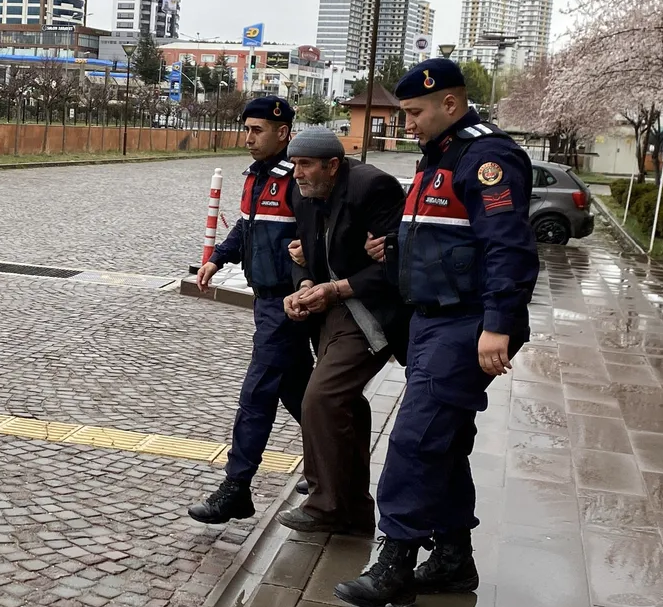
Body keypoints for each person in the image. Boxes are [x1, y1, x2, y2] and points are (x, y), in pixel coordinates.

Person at [334, 59, 539, 606]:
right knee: (443, 444)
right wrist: (394, 248)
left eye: (415, 112)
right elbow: (449, 236)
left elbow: (507, 248)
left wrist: (498, 324)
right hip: (432, 320)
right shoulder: (440, 157)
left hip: (466, 321)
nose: (408, 124)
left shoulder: (486, 156)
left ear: (450, 104)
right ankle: (451, 559)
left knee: (416, 438)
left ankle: (396, 560)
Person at [274, 127, 410, 536]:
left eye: (306, 165)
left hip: (371, 311)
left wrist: (334, 289)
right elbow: (300, 250)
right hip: (330, 311)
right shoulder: (301, 190)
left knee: (321, 397)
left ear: (333, 165)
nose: (297, 173)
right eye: (295, 164)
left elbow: (393, 264)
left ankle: (326, 503)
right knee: (345, 403)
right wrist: (301, 287)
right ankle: (353, 509)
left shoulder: (375, 188)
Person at [189, 96, 314, 525]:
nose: (248, 137)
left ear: (283, 133)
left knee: (258, 392)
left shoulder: (296, 177)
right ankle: (328, 466)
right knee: (298, 390)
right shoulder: (255, 177)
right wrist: (218, 258)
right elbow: (246, 224)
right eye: (246, 129)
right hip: (266, 299)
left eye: (257, 130)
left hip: (289, 303)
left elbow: (319, 232)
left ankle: (236, 487)